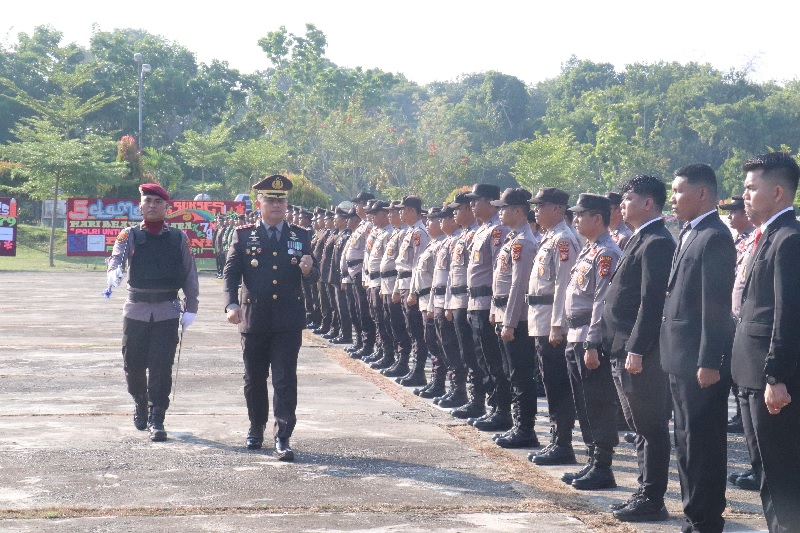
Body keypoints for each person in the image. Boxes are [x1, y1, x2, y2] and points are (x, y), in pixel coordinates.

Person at [661, 163, 736, 533]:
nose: (672, 199)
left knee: (702, 443)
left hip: (699, 363)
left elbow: (715, 306)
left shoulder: (715, 237)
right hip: (680, 358)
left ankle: (706, 519)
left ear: (702, 194)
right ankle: (694, 515)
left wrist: (710, 360)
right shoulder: (691, 232)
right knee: (686, 441)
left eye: (678, 191)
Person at [223, 174, 319, 461]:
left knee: (284, 379)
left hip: (287, 320)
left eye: (281, 200)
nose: (277, 205)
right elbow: (231, 274)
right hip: (254, 317)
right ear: (259, 203)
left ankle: (283, 436)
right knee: (254, 378)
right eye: (271, 200)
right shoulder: (244, 235)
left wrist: (306, 270)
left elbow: (314, 275)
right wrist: (230, 305)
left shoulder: (300, 236)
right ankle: (256, 426)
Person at [732, 152, 800, 532]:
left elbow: (787, 314)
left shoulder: (788, 239)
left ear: (777, 192)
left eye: (751, 188)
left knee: (781, 472)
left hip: (768, 377)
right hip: (749, 371)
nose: (744, 195)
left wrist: (776, 376)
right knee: (764, 469)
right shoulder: (764, 237)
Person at [601, 176, 674, 521]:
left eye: (628, 199)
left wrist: (638, 348)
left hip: (637, 349)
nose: (621, 206)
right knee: (638, 426)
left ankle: (652, 499)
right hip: (622, 345)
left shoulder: (657, 241)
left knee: (650, 426)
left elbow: (652, 301)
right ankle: (643, 492)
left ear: (648, 203)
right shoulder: (639, 238)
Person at [106, 183, 199, 442]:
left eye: (158, 202)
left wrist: (192, 306)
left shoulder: (178, 238)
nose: (153, 205)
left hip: (167, 310)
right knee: (132, 364)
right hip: (136, 309)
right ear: (140, 205)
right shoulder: (130, 234)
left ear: (166, 207)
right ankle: (139, 399)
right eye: (148, 201)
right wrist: (113, 271)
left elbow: (190, 273)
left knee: (161, 367)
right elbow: (117, 256)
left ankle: (157, 417)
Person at [560, 194, 621, 490]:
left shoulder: (607, 253)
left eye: (581, 215)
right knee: (582, 402)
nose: (576, 220)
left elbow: (601, 302)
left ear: (597, 218)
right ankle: (590, 460)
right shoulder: (590, 250)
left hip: (589, 337)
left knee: (597, 402)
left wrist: (593, 343)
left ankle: (602, 465)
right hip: (576, 334)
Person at [526, 188, 580, 467]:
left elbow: (563, 286)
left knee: (558, 384)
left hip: (551, 323)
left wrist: (558, 324)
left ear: (558, 208)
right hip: (541, 318)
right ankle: (556, 439)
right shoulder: (549, 238)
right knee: (549, 381)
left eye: (541, 205)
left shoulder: (563, 241)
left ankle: (563, 443)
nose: (536, 210)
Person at [489, 188, 539, 448]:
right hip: (505, 314)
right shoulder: (513, 239)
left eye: (504, 208)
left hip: (517, 319)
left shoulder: (523, 242)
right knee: (510, 373)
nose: (500, 212)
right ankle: (517, 425)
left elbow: (519, 286)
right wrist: (495, 312)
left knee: (520, 376)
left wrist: (508, 321)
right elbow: (501, 282)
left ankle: (525, 428)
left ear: (518, 211)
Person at [463, 184, 511, 424]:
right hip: (475, 302)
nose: (472, 204)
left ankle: (501, 410)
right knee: (480, 358)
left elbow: (498, 271)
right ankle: (486, 405)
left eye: (476, 200)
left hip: (487, 303)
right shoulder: (482, 230)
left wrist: (494, 306)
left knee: (493, 360)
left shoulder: (497, 231)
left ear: (491, 201)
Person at [718, 195, 756, 436]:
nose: (730, 217)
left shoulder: (753, 240)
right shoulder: (739, 240)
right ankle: (741, 416)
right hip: (731, 316)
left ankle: (745, 418)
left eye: (734, 212)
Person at [392, 196, 430, 379]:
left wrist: (413, 291)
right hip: (404, 284)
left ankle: (418, 369)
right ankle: (410, 366)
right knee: (409, 328)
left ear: (412, 211)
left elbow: (417, 265)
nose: (400, 213)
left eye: (403, 209)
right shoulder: (409, 232)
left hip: (412, 286)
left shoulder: (419, 234)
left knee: (416, 330)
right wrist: (398, 289)